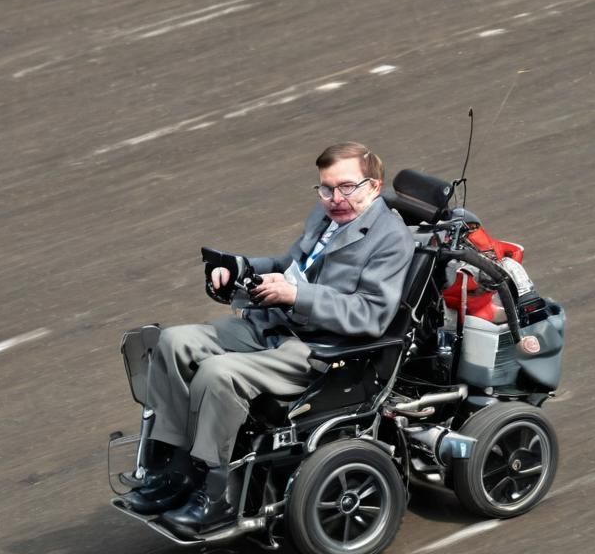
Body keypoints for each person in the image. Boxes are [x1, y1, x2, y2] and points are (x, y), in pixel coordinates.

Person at [122, 142, 415, 531]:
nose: (334, 198)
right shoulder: (326, 217)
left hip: (324, 350)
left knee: (217, 373)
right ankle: (175, 473)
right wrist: (239, 268)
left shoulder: (392, 239)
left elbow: (371, 315)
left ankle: (217, 494)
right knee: (173, 343)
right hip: (276, 324)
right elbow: (289, 266)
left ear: (374, 187)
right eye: (326, 189)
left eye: (347, 187)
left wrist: (297, 295)